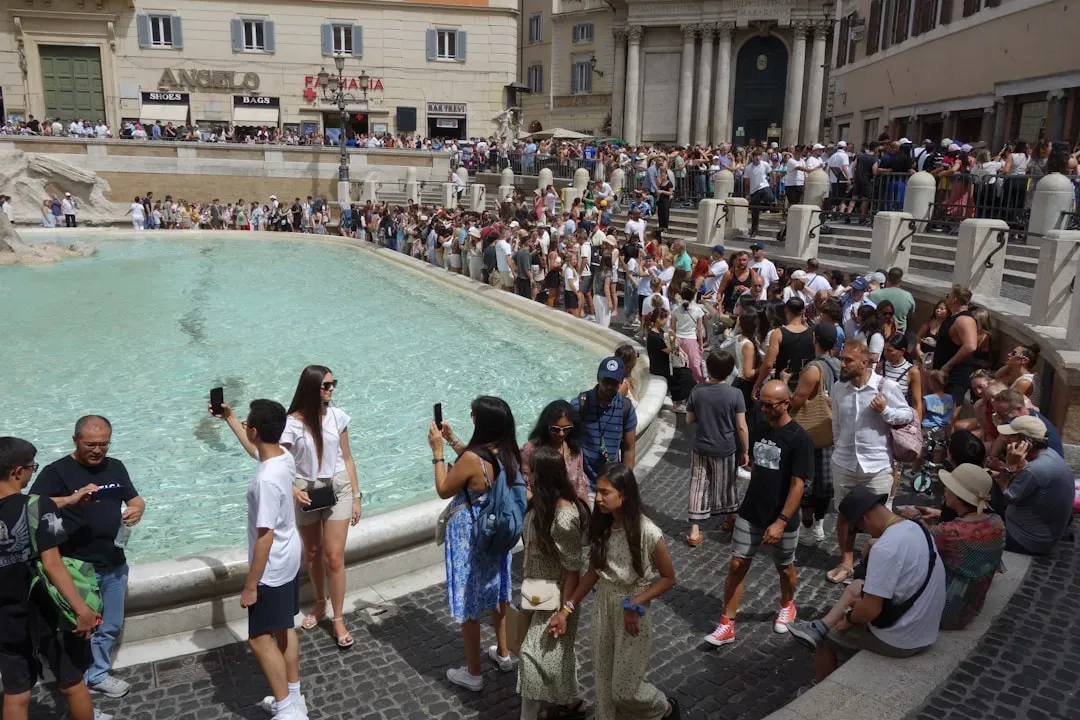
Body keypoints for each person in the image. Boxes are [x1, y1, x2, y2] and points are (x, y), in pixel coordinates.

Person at [218, 366, 362, 649]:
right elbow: (263, 452)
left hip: (339, 488)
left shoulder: (338, 416)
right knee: (312, 552)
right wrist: (231, 418)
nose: (331, 391)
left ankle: (338, 617)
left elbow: (347, 457)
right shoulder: (291, 423)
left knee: (334, 556)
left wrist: (357, 495)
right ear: (310, 388)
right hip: (305, 493)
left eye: (333, 385)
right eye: (326, 386)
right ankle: (320, 602)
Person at [550, 465, 679, 720]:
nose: (597, 498)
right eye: (597, 491)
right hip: (603, 608)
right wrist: (566, 610)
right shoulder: (603, 528)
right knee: (605, 686)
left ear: (625, 495)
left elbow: (669, 578)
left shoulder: (649, 533)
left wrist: (635, 603)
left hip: (633, 611)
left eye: (605, 492)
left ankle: (665, 708)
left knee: (624, 690)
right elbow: (592, 574)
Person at [31, 416, 145, 699]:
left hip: (114, 560)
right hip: (76, 565)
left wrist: (137, 509)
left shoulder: (115, 467)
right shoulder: (56, 472)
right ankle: (75, 680)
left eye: (104, 444)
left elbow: (135, 499)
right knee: (77, 627)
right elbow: (32, 507)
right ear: (75, 440)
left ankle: (96, 675)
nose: (98, 450)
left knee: (111, 625)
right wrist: (70, 500)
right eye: (91, 444)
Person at [786, 487, 947, 683]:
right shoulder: (917, 528)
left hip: (903, 639)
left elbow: (870, 610)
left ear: (864, 519)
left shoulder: (885, 548)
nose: (864, 534)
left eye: (857, 529)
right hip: (927, 628)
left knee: (827, 638)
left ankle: (816, 692)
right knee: (858, 587)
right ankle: (820, 627)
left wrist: (849, 619)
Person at [0, 437, 105, 720]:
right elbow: (52, 565)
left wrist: (69, 499)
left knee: (16, 693)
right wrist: (82, 609)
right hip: (44, 610)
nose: (32, 473)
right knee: (71, 683)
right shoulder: (37, 507)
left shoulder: (39, 503)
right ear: (17, 471)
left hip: (4, 617)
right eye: (32, 468)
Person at [704, 380, 813, 646]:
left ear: (786, 404)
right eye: (760, 403)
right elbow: (756, 471)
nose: (762, 408)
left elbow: (798, 485)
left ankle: (788, 604)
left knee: (785, 566)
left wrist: (781, 521)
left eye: (768, 404)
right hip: (751, 511)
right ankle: (727, 623)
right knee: (737, 564)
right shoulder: (760, 427)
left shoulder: (800, 439)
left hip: (782, 518)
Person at [429, 396, 525, 692]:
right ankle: (504, 653)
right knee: (497, 591)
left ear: (482, 423)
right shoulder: (508, 452)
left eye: (473, 416)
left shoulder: (472, 460)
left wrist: (437, 451)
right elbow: (478, 467)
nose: (471, 419)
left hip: (470, 535)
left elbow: (444, 489)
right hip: (496, 532)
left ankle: (473, 673)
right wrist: (454, 438)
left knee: (469, 598)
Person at [238, 400, 307, 720]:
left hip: (272, 567)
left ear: (254, 430)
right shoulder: (284, 457)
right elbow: (256, 451)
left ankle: (288, 710)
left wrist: (251, 585)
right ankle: (293, 697)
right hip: (290, 554)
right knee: (284, 627)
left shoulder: (264, 480)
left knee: (258, 640)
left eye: (246, 423)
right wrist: (229, 420)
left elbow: (264, 537)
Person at [826, 340, 914, 585]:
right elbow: (836, 424)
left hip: (876, 464)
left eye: (847, 360)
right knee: (845, 514)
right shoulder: (838, 388)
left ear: (864, 362)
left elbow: (907, 414)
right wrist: (838, 448)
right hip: (844, 462)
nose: (842, 364)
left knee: (881, 518)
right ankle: (846, 562)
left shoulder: (886, 386)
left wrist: (886, 411)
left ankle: (881, 563)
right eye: (842, 359)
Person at [516, 446, 590, 720]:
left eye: (531, 471)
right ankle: (570, 701)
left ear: (544, 476)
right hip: (538, 592)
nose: (527, 475)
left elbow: (573, 569)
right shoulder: (540, 503)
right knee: (558, 651)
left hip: (559, 598)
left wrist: (565, 612)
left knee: (531, 654)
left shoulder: (564, 517)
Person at [896, 464, 1005, 631]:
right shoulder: (996, 522)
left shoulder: (950, 532)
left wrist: (915, 517)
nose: (945, 489)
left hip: (944, 610)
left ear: (959, 495)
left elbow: (926, 536)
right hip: (972, 605)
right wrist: (937, 513)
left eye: (949, 487)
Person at [685, 351, 749, 546]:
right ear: (730, 371)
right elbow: (741, 426)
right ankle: (729, 518)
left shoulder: (697, 390)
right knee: (726, 484)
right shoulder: (735, 394)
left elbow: (688, 419)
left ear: (708, 369)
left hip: (701, 446)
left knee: (698, 484)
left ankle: (694, 531)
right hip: (725, 447)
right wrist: (745, 450)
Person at [789, 323, 842, 546]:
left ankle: (808, 523)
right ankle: (818, 523)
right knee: (825, 483)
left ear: (815, 340)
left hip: (812, 432)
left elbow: (799, 399)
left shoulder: (813, 369)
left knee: (806, 480)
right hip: (832, 431)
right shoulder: (840, 365)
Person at [995, 416, 1074, 556]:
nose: (1006, 440)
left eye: (1012, 437)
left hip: (1026, 539)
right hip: (1043, 533)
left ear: (1027, 443)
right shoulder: (1049, 454)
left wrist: (1009, 466)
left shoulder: (1034, 469)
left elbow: (1005, 499)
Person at [572, 358, 638, 492]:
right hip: (582, 482)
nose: (609, 386)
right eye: (606, 381)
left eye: (614, 382)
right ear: (598, 378)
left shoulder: (625, 408)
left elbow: (629, 449)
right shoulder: (579, 405)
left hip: (611, 483)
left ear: (621, 382)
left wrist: (626, 484)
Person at [519, 400, 589, 503]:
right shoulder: (530, 450)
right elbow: (522, 486)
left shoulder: (574, 450)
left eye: (566, 429)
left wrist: (586, 513)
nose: (561, 434)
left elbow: (580, 485)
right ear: (546, 426)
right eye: (555, 429)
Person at [933, 285, 979, 408]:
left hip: (955, 376)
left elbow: (970, 346)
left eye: (948, 296)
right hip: (943, 374)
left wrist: (948, 365)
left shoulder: (964, 320)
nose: (946, 299)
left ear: (954, 299)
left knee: (949, 415)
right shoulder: (952, 318)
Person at [671, 286, 706, 384]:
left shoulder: (676, 309)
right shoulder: (698, 310)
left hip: (678, 339)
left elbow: (672, 329)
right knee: (695, 365)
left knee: (679, 364)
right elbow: (699, 330)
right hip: (691, 340)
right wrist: (701, 345)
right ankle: (698, 384)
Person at [868, 268, 915, 333]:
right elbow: (910, 315)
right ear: (900, 280)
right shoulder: (908, 296)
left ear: (887, 278)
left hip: (877, 331)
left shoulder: (873, 295)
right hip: (898, 335)